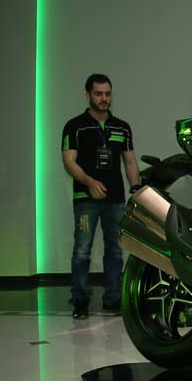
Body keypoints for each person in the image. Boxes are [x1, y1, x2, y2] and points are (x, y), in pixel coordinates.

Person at [62, 74, 140, 319]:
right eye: (98, 94)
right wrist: (90, 182)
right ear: (88, 95)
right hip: (85, 200)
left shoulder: (122, 127)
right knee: (82, 250)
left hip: (115, 200)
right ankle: (80, 299)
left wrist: (136, 189)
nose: (104, 98)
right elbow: (68, 161)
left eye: (107, 93)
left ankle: (113, 298)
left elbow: (130, 162)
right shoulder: (74, 126)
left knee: (115, 250)